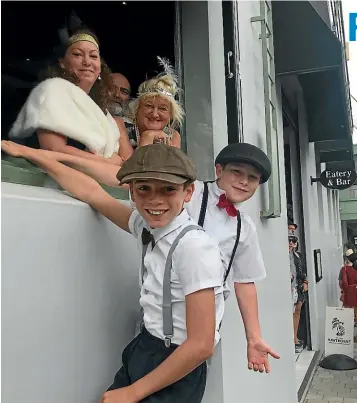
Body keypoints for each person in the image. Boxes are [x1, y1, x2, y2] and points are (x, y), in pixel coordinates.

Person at [1, 141, 225, 403]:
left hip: (177, 363)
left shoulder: (194, 248)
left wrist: (133, 392)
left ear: (188, 193)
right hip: (146, 346)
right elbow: (93, 193)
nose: (155, 200)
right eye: (143, 189)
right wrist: (30, 154)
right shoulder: (146, 226)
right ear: (130, 191)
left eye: (168, 189)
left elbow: (201, 344)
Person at [2, 63, 184, 188]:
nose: (154, 113)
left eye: (162, 109)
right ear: (136, 109)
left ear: (171, 116)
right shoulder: (119, 124)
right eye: (149, 106)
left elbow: (165, 174)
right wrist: (145, 141)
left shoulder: (173, 136)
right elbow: (131, 170)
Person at [185, 142, 280, 373]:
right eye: (236, 172)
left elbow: (245, 282)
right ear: (219, 170)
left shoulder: (244, 227)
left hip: (204, 332)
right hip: (163, 321)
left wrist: (254, 338)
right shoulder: (191, 191)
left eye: (253, 178)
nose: (244, 181)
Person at [9, 29, 133, 164]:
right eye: (78, 54)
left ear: (99, 68)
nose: (87, 62)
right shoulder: (52, 90)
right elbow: (54, 149)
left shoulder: (100, 110)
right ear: (62, 62)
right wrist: (111, 162)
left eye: (93, 56)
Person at [290, 236, 308, 353]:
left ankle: (295, 337)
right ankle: (290, 338)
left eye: (293, 241)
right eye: (288, 241)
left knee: (297, 312)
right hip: (288, 288)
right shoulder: (282, 255)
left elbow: (304, 271)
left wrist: (306, 282)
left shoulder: (298, 256)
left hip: (298, 287)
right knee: (289, 312)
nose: (291, 243)